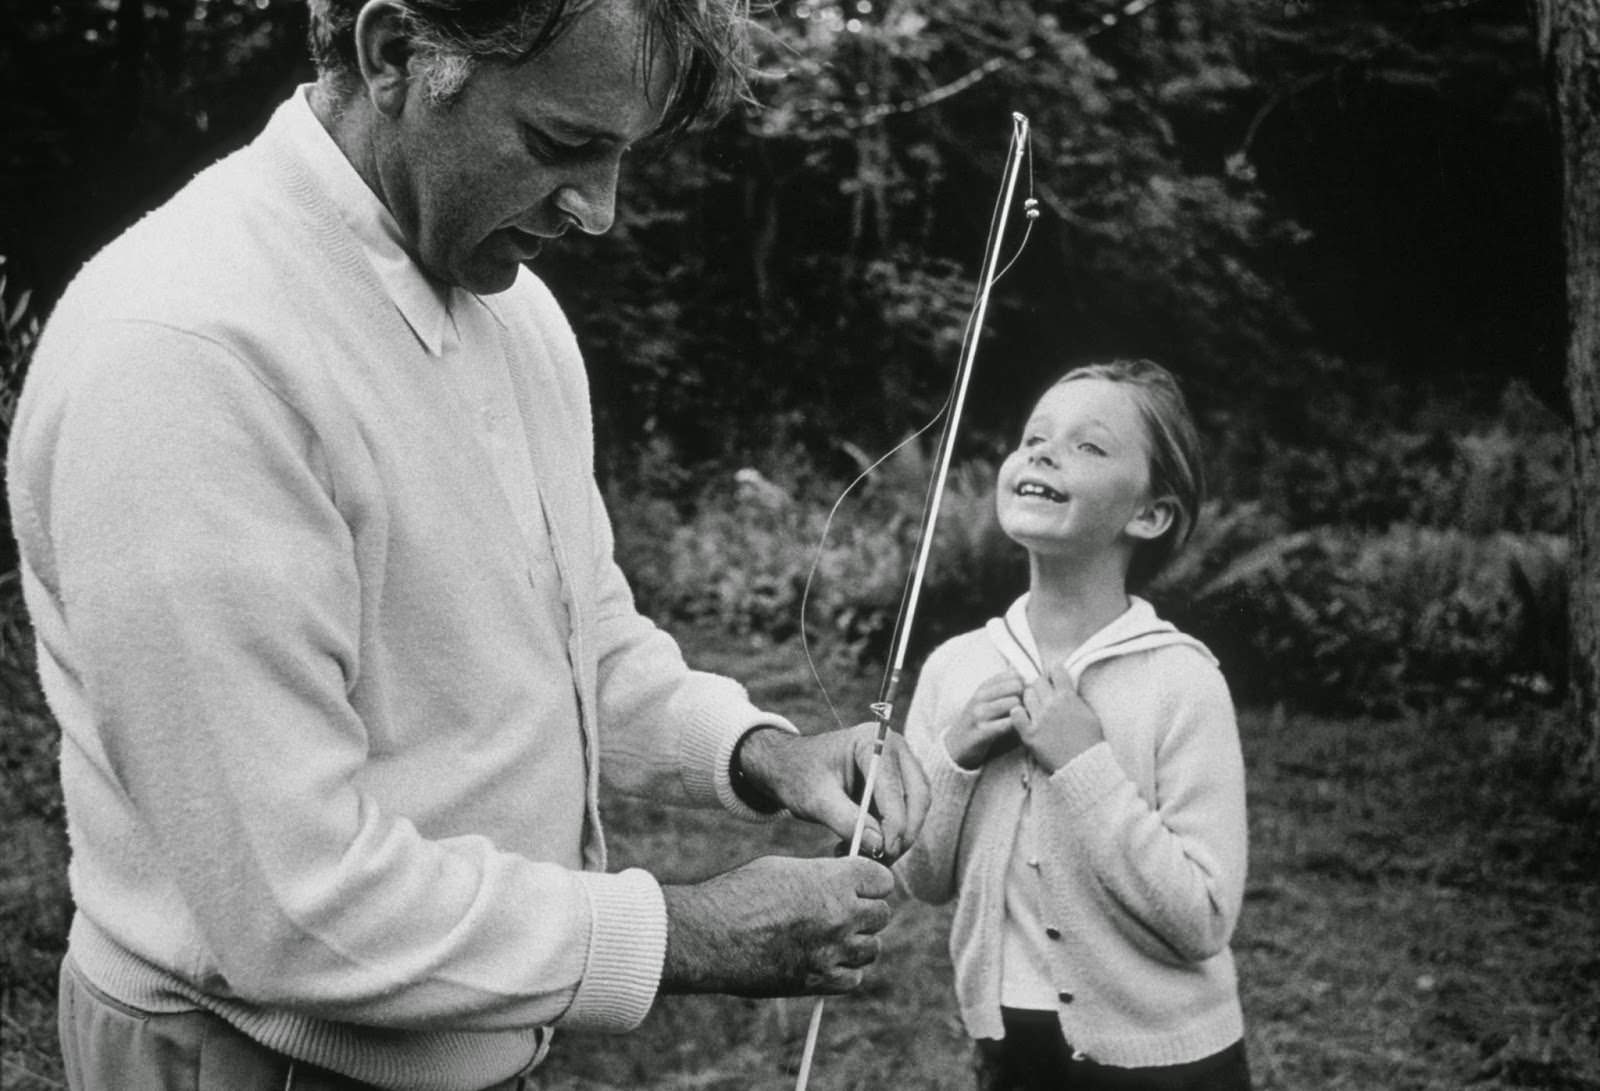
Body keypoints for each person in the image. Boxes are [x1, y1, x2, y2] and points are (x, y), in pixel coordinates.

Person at [4, 2, 930, 1089]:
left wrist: (763, 752)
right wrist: (692, 932)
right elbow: (293, 905)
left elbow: (574, 636)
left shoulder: (517, 314)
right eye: (563, 145)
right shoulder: (190, 353)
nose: (599, 211)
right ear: (396, 52)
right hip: (253, 1056)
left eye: (620, 155)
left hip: (470, 1044)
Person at [895, 359, 1251, 1091]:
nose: (1043, 453)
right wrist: (952, 760)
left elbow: (1204, 919)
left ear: (1149, 513)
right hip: (1010, 1051)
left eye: (1090, 446)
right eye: (1034, 437)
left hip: (1171, 1065)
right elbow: (922, 879)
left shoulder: (1182, 680)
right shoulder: (954, 668)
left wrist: (1086, 765)